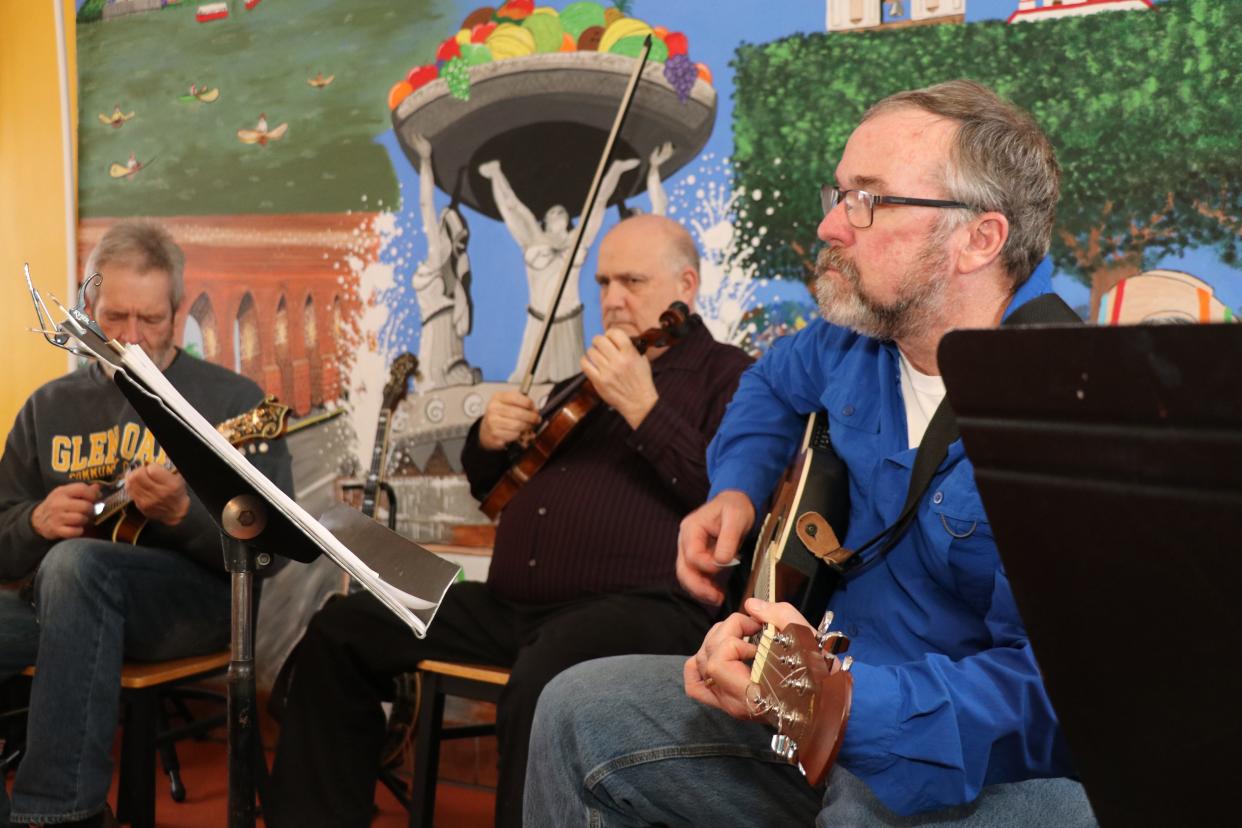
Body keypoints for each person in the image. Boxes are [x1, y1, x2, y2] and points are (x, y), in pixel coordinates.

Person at [525, 80, 1098, 826]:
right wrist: (733, 487)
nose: (830, 223)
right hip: (812, 713)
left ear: (978, 239)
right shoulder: (849, 339)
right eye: (839, 193)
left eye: (869, 199)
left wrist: (833, 699)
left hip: (957, 751)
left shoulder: (1072, 414)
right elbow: (767, 388)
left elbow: (1053, 698)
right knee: (575, 710)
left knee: (872, 805)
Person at [266, 214, 753, 828]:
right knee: (347, 626)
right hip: (513, 607)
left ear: (687, 282)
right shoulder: (587, 378)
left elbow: (730, 498)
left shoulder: (731, 375)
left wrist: (644, 407)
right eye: (603, 283)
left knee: (544, 681)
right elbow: (494, 488)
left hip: (644, 606)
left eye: (632, 280)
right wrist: (488, 440)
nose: (612, 299)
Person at [0, 221, 293, 828]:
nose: (131, 338)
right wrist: (33, 521)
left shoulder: (232, 401)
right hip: (57, 605)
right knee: (69, 566)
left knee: (76, 564)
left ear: (178, 314)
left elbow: (271, 550)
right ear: (86, 308)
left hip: (194, 605)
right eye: (114, 318)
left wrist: (184, 516)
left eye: (151, 321)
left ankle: (58, 816)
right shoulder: (48, 407)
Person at [479, 155, 640, 384]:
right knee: (524, 384)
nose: (559, 212)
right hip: (539, 321)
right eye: (553, 211)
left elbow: (598, 201)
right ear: (544, 219)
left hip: (569, 320)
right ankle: (496, 172)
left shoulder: (577, 238)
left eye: (562, 211)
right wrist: (496, 175)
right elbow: (511, 209)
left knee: (569, 387)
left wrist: (615, 170)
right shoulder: (534, 238)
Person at [408, 132, 480, 389]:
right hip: (437, 347)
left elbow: (428, 206)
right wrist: (426, 162)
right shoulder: (438, 260)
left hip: (452, 350)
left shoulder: (453, 267)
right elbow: (426, 204)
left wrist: (427, 161)